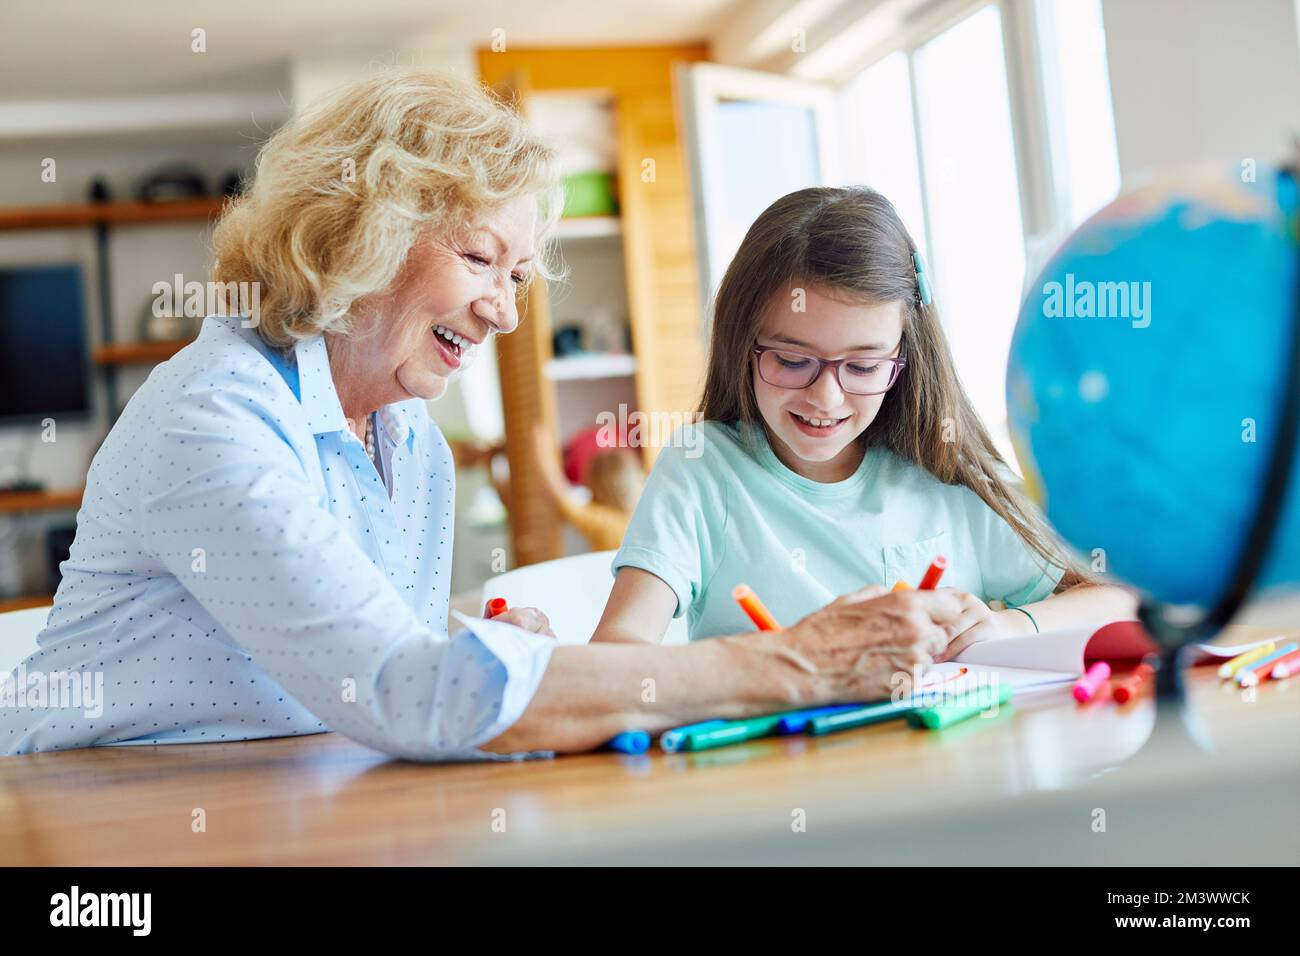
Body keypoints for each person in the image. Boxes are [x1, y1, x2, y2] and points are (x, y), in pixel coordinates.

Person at [1, 74, 962, 759]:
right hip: (98, 815)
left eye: (516, 275)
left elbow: (375, 641)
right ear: (361, 236)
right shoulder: (214, 419)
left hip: (285, 796)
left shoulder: (407, 436)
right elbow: (403, 692)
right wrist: (796, 664)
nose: (505, 310)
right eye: (478, 260)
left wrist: (479, 628)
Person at [595, 186, 1136, 653]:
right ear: (742, 344)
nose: (826, 397)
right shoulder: (703, 470)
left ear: (904, 358)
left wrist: (1011, 625)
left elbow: (1118, 595)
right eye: (791, 360)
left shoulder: (944, 471)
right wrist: (779, 663)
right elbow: (618, 652)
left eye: (863, 365)